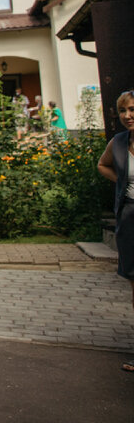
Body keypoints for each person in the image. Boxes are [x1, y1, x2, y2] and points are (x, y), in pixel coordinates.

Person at [96, 89, 134, 372]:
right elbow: (102, 165)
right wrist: (123, 183)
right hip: (130, 214)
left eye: (132, 109)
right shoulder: (119, 143)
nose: (127, 116)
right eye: (123, 111)